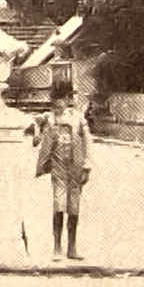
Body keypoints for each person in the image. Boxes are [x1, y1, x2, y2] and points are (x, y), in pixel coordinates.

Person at [32, 82, 93, 260]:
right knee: (59, 205)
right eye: (54, 100)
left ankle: (72, 248)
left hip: (76, 166)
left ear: (68, 99)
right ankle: (57, 248)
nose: (57, 104)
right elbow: (35, 134)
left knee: (74, 207)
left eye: (61, 99)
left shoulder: (78, 118)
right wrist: (37, 131)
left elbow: (88, 142)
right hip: (58, 168)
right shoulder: (49, 118)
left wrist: (87, 166)